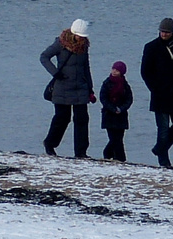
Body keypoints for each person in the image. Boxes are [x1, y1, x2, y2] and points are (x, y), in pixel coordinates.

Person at [40, 19, 95, 158]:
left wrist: (90, 88)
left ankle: (81, 153)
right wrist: (55, 72)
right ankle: (50, 144)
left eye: (83, 37)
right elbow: (44, 57)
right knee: (62, 118)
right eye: (79, 36)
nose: (81, 39)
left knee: (82, 119)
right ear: (73, 33)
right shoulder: (60, 43)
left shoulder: (84, 46)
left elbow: (86, 67)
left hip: (81, 88)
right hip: (62, 87)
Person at [140, 17, 173, 168]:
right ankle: (164, 161)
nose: (163, 34)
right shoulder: (151, 47)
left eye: (167, 32)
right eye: (162, 31)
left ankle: (159, 148)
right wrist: (154, 88)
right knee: (162, 129)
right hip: (160, 95)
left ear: (172, 32)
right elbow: (145, 72)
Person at [99, 61, 133, 161]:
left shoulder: (125, 85)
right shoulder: (107, 83)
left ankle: (111, 154)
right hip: (109, 114)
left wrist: (121, 108)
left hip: (121, 115)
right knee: (114, 138)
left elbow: (129, 99)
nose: (114, 71)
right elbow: (103, 98)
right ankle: (120, 157)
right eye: (113, 69)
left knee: (119, 137)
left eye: (117, 70)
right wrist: (113, 109)